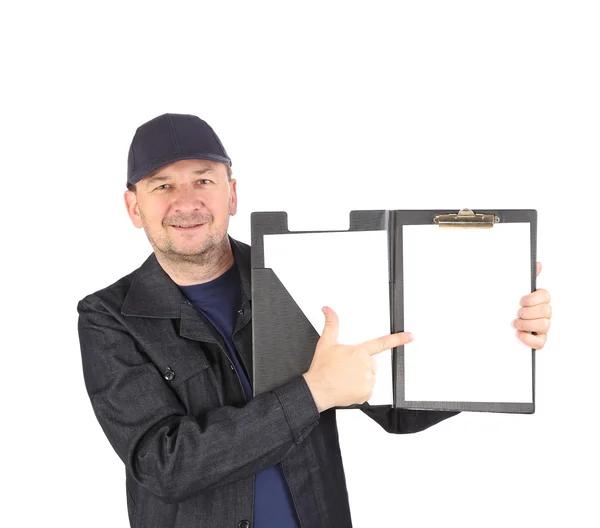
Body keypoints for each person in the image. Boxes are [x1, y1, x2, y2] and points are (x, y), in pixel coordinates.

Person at [77, 113, 553, 528]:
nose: (186, 201)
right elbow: (164, 465)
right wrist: (314, 391)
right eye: (163, 185)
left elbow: (396, 409)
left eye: (204, 180)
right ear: (134, 207)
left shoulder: (298, 270)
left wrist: (494, 330)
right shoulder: (109, 318)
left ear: (232, 194)